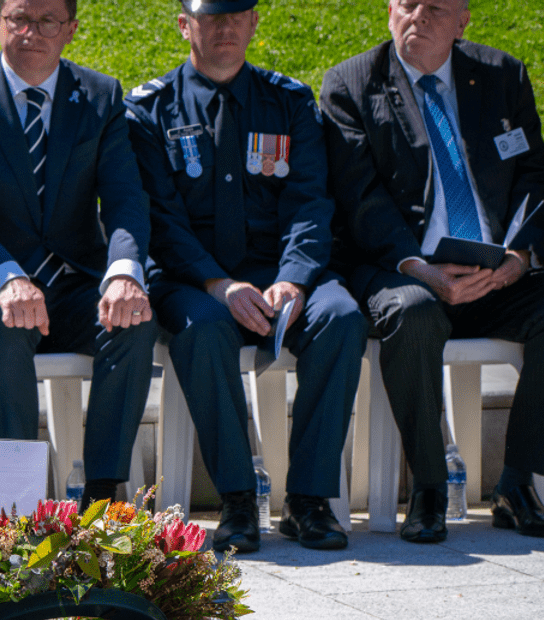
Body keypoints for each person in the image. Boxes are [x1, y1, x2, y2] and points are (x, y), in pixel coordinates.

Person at [320, 0, 544, 542]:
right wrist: (420, 268)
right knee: (415, 314)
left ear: (463, 19)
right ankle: (428, 488)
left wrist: (517, 258)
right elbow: (360, 200)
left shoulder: (500, 75)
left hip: (491, 271)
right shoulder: (350, 84)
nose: (417, 17)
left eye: (436, 8)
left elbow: (534, 179)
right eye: (406, 4)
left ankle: (518, 485)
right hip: (401, 270)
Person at [126, 0, 367, 553]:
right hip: (194, 279)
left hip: (280, 273)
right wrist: (218, 284)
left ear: (254, 22)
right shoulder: (149, 110)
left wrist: (295, 279)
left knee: (342, 317)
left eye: (237, 16)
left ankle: (308, 500)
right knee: (204, 329)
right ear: (185, 25)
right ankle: (237, 499)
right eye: (211, 18)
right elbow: (160, 219)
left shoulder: (289, 101)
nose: (226, 27)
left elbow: (310, 202)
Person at [0, 0, 156, 510]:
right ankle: (19, 510)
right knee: (11, 322)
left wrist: (123, 272)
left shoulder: (100, 95)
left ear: (71, 30)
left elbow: (124, 197)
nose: (32, 32)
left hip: (71, 285)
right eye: (19, 19)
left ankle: (103, 502)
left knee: (134, 319)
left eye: (48, 21)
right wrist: (7, 278)